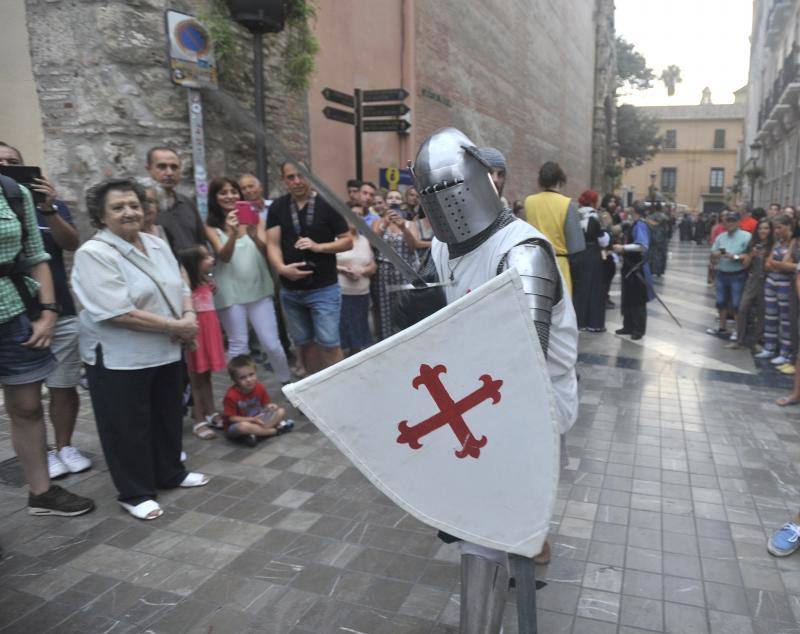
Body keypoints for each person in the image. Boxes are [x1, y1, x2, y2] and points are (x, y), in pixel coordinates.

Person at [413, 128, 578, 629]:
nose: (448, 205)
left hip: (531, 405)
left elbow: (521, 358)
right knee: (482, 519)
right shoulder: (443, 248)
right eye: (434, 196)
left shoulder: (524, 250)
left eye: (453, 189)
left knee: (483, 532)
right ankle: (525, 536)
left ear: (481, 181)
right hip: (469, 397)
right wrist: (414, 317)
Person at [71, 177, 208, 521]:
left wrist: (188, 314)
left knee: (166, 415)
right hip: (121, 357)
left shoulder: (155, 241)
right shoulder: (94, 253)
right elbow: (116, 312)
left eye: (134, 205)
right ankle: (134, 492)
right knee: (126, 425)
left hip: (165, 349)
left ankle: (170, 473)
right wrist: (174, 326)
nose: (129, 212)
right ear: (101, 216)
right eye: (117, 207)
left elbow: (179, 282)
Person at [0, 169, 94, 516]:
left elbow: (36, 255)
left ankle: (40, 492)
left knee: (26, 406)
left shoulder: (11, 192)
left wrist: (50, 310)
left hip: (12, 313)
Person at [266, 162, 352, 374]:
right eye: (290, 177)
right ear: (284, 180)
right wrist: (281, 269)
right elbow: (272, 244)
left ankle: (341, 387)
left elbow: (347, 240)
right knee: (305, 344)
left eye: (300, 175)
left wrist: (318, 247)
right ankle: (316, 389)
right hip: (291, 290)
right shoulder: (278, 207)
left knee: (330, 343)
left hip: (323, 289)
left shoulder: (327, 205)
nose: (296, 181)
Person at [204, 177, 292, 384]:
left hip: (259, 289)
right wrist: (233, 233)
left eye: (233, 191)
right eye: (223, 193)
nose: (229, 196)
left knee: (272, 344)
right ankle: (242, 391)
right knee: (239, 345)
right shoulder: (211, 225)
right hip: (230, 292)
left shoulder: (255, 219)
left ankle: (287, 383)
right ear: (214, 198)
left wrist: (253, 234)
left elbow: (266, 251)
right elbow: (223, 256)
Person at [178, 245, 227, 439]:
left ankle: (211, 411)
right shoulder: (186, 288)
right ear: (193, 264)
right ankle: (198, 418)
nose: (211, 259)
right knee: (196, 379)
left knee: (206, 376)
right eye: (205, 257)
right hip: (196, 336)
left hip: (210, 334)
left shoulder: (207, 281)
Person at [524, 161, 586, 295]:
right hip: (559, 266)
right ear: (560, 180)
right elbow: (576, 247)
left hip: (534, 264)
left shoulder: (529, 202)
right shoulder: (567, 204)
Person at [222, 354, 294, 447]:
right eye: (242, 378)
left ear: (255, 372)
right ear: (234, 380)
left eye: (251, 375)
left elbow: (266, 404)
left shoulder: (259, 387)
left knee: (281, 411)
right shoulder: (231, 396)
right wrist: (251, 419)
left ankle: (257, 434)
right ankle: (275, 431)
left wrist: (270, 406)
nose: (249, 380)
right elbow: (232, 418)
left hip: (258, 420)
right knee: (243, 427)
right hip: (240, 424)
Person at [371, 205, 419, 340]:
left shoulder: (410, 224)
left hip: (405, 271)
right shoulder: (378, 222)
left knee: (404, 305)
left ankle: (407, 339)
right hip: (383, 271)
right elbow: (373, 243)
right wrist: (384, 224)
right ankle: (385, 340)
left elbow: (413, 246)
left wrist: (403, 228)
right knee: (383, 307)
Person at [145, 147, 206, 252]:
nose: (169, 173)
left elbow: (201, 241)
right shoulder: (143, 207)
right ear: (149, 169)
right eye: (162, 167)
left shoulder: (187, 203)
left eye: (174, 167)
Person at [755, 214, 796, 367]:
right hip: (771, 282)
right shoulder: (778, 242)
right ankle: (769, 347)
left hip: (785, 285)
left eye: (779, 228)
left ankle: (785, 352)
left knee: (785, 320)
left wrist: (777, 264)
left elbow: (787, 266)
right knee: (770, 316)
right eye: (775, 228)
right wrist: (779, 265)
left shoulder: (794, 243)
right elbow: (767, 264)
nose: (776, 231)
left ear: (788, 226)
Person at [612, 201, 653, 340]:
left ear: (633, 210)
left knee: (637, 299)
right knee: (628, 297)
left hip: (637, 268)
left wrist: (623, 248)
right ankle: (628, 326)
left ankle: (638, 329)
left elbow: (642, 246)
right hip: (630, 267)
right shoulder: (634, 224)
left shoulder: (640, 225)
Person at [729, 219, 772, 350]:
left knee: (762, 311)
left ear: (770, 231)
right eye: (760, 228)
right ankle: (739, 340)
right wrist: (751, 255)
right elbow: (745, 264)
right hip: (752, 280)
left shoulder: (772, 246)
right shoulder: (752, 244)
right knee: (742, 309)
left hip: (766, 280)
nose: (762, 231)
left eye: (765, 228)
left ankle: (758, 341)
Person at [571, 190, 610, 332]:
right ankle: (593, 323)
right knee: (594, 288)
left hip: (576, 253)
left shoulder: (575, 214)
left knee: (580, 288)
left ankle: (579, 322)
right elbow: (603, 241)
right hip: (593, 255)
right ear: (593, 201)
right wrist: (606, 230)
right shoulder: (596, 216)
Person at [336, 222, 376, 355]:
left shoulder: (364, 240)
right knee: (342, 328)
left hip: (362, 292)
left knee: (359, 327)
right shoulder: (335, 239)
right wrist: (344, 270)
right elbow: (327, 263)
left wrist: (362, 270)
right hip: (341, 292)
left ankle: (358, 356)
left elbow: (372, 265)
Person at [647, 203, 670, 277]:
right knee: (661, 254)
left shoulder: (650, 217)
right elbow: (667, 229)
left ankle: (651, 269)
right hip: (662, 239)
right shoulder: (665, 217)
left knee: (652, 254)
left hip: (652, 238)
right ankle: (659, 271)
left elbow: (648, 228)